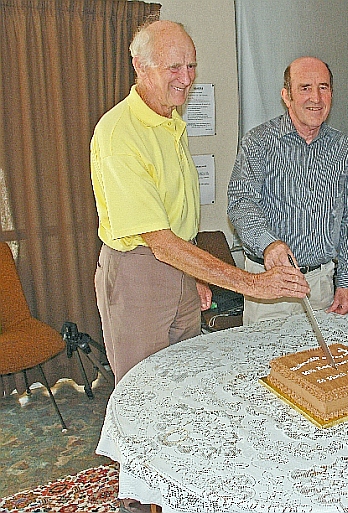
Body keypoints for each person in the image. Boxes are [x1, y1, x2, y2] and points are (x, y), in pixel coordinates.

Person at [90, 20, 310, 388]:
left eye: (191, 65)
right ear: (140, 66)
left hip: (178, 266)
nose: (186, 77)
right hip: (138, 275)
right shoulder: (119, 134)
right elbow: (159, 241)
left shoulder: (170, 120)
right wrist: (252, 284)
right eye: (174, 66)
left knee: (185, 385)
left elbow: (175, 226)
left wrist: (191, 276)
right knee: (144, 395)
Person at [227, 56, 348, 325]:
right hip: (268, 285)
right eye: (305, 88)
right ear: (286, 96)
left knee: (318, 365)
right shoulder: (258, 143)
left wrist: (346, 281)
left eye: (323, 87)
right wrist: (269, 243)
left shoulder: (344, 150)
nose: (316, 97)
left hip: (320, 286)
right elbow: (241, 204)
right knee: (265, 363)